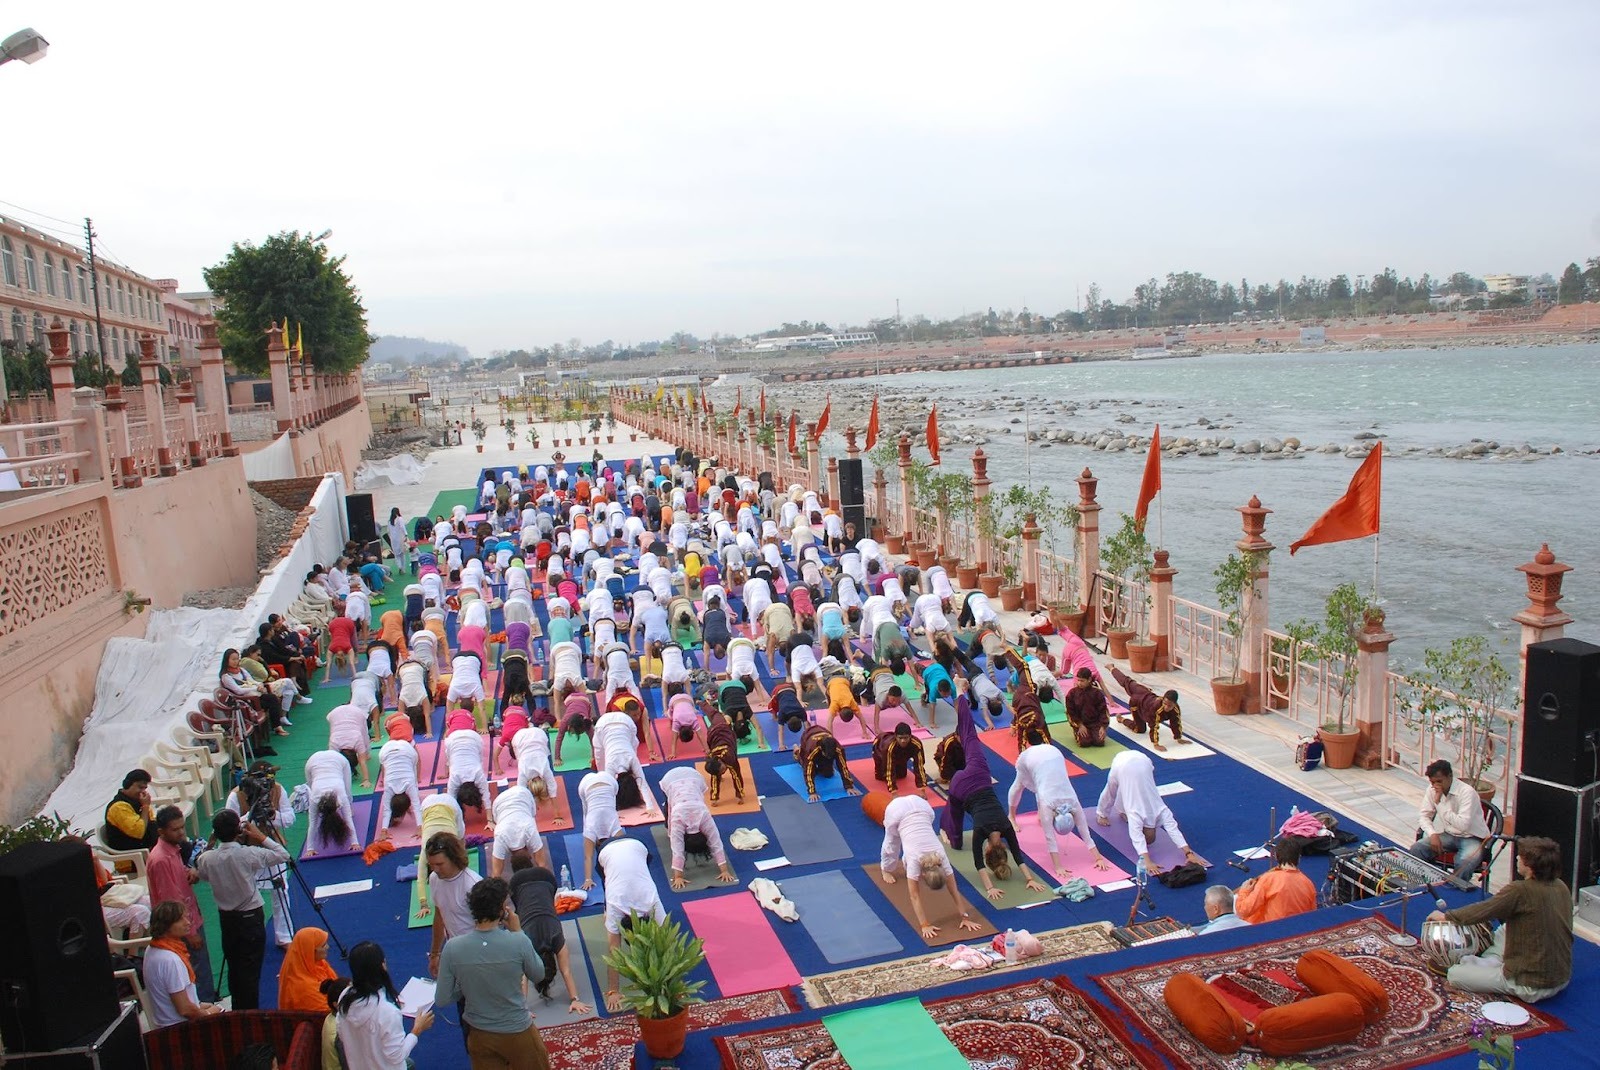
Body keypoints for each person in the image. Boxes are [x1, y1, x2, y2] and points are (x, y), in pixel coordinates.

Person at [1427, 836, 1573, 1002]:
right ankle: (1492, 961)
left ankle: (1491, 966)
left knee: (1455, 975)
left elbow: (1483, 911)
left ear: (1530, 867)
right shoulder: (1561, 886)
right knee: (1505, 930)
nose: (1517, 858)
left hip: (1530, 985)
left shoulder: (1520, 890)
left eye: (1521, 857)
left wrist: (1446, 916)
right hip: (1562, 977)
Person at [939, 692, 1050, 901]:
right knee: (954, 808)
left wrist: (1029, 878)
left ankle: (961, 696)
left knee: (970, 737)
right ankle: (952, 837)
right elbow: (978, 864)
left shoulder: (1007, 827)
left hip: (980, 776)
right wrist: (989, 887)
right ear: (988, 849)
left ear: (1002, 848)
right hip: (961, 786)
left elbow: (1019, 859)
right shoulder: (980, 832)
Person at [434, 878, 551, 1069]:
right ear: (502, 910)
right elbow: (538, 975)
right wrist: (519, 932)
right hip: (518, 1032)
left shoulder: (453, 947)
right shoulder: (517, 941)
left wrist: (465, 985)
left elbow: (442, 998)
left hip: (479, 1034)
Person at [195, 809, 290, 1010]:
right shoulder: (247, 854)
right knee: (250, 971)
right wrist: (260, 836)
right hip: (249, 919)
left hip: (227, 920)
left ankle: (239, 1010)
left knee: (235, 967)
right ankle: (250, 1013)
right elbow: (283, 854)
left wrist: (210, 844)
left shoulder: (207, 859)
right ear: (239, 831)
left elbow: (201, 872)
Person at [878, 794, 985, 941]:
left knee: (907, 848)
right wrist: (924, 924)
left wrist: (964, 917)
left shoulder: (941, 856)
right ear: (922, 875)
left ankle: (903, 860)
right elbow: (914, 896)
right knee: (892, 844)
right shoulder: (916, 861)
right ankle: (885, 869)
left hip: (922, 807)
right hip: (897, 811)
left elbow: (953, 889)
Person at [1007, 737, 1109, 881]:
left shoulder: (1072, 803)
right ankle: (1011, 816)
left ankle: (1033, 813)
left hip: (1054, 754)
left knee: (1041, 783)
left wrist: (1098, 858)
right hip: (1034, 757)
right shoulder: (1056, 805)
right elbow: (1050, 838)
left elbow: (1085, 832)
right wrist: (1057, 867)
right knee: (1020, 783)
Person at [1094, 750, 1201, 876]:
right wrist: (1147, 861)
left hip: (1144, 761)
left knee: (1129, 786)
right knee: (1111, 789)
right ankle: (1101, 814)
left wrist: (1189, 853)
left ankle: (1118, 810)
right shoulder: (1140, 814)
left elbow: (1173, 830)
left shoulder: (1159, 810)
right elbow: (1137, 837)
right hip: (1123, 763)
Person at [147, 804, 215, 1000]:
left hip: (188, 917)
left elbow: (178, 879)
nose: (181, 833)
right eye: (175, 829)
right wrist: (190, 931)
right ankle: (205, 1007)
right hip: (182, 926)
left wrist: (188, 874)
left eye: (182, 827)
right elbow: (171, 901)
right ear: (161, 831)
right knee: (196, 970)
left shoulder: (172, 851)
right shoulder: (160, 859)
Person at [507, 859, 592, 1015]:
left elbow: (564, 972)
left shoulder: (555, 940)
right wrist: (575, 1000)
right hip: (534, 880)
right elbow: (527, 976)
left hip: (540, 880)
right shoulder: (527, 944)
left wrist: (575, 999)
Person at [337, 940, 434, 1070]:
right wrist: (417, 1030)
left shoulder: (344, 997)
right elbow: (397, 1056)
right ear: (382, 966)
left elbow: (341, 1033)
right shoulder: (387, 1013)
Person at [597, 837, 667, 1013]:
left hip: (639, 846)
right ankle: (606, 905)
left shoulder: (652, 901)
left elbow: (668, 940)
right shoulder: (616, 907)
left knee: (636, 875)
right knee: (609, 882)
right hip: (606, 851)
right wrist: (613, 990)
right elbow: (614, 951)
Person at [1407, 758, 1491, 880]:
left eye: (1439, 781)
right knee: (1417, 849)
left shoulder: (1467, 792)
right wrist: (1432, 834)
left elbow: (1463, 825)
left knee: (1465, 862)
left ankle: (1456, 891)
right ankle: (1427, 882)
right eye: (1432, 782)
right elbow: (1424, 815)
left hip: (1472, 837)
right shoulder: (1432, 790)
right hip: (1449, 834)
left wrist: (1440, 803)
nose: (1436, 786)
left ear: (1450, 776)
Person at [144, 900, 223, 1025]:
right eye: (180, 920)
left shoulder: (152, 948)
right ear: (166, 925)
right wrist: (210, 1012)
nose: (188, 923)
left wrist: (201, 1006)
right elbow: (185, 1010)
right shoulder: (170, 960)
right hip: (179, 1027)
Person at [659, 765, 738, 889]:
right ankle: (668, 823)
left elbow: (678, 848)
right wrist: (724, 870)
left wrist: (724, 870)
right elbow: (677, 848)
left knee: (675, 804)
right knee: (669, 805)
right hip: (673, 780)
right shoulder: (684, 819)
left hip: (693, 779)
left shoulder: (702, 817)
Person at [426, 832, 484, 984]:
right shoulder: (434, 879)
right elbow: (439, 915)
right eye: (431, 865)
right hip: (456, 953)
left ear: (453, 859)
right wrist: (435, 953)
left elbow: (489, 927)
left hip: (479, 955)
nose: (435, 869)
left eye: (439, 864)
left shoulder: (473, 885)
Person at [1234, 838, 1317, 923]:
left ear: (1276, 856)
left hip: (1271, 931)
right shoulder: (1308, 883)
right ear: (1299, 858)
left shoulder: (1268, 879)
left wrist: (1244, 891)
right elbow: (1312, 916)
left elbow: (1243, 911)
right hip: (1299, 930)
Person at [1108, 665, 1187, 752]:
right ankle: (1121, 719)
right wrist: (1156, 744)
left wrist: (1178, 738)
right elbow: (1154, 726)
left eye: (1169, 706)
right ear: (1163, 699)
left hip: (1145, 698)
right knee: (1139, 729)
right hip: (1137, 702)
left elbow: (1175, 723)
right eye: (1165, 704)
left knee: (1127, 683)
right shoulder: (1157, 708)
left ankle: (1112, 668)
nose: (1166, 707)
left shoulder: (1176, 709)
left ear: (1175, 704)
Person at [304, 749, 362, 855]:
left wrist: (355, 842)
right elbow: (313, 823)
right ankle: (348, 807)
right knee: (312, 784)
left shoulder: (341, 795)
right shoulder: (314, 799)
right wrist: (309, 849)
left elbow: (348, 818)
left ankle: (350, 805)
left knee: (347, 791)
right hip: (312, 762)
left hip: (337, 760)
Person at [793, 721, 860, 802]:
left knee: (828, 774)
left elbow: (843, 766)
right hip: (807, 737)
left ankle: (824, 762)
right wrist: (812, 792)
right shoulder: (812, 750)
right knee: (807, 766)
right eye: (827, 755)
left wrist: (849, 786)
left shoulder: (838, 749)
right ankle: (797, 750)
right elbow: (808, 772)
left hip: (823, 732)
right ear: (821, 749)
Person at [277, 927, 338, 1013]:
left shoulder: (316, 963)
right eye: (323, 945)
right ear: (310, 951)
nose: (327, 947)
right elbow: (328, 1013)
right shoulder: (304, 987)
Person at [377, 735, 423, 840]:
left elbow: (387, 809)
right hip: (403, 750)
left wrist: (384, 830)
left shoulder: (389, 786)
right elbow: (416, 805)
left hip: (390, 750)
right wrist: (420, 827)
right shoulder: (407, 784)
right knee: (412, 776)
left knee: (411, 775)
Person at [103, 768, 159, 851]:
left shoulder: (138, 802)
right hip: (131, 852)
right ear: (127, 784)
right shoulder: (118, 807)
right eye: (140, 787)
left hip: (145, 845)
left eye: (145, 788)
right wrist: (145, 807)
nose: (142, 792)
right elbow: (139, 832)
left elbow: (152, 821)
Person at [871, 722, 927, 794]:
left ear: (910, 736)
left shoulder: (916, 744)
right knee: (881, 777)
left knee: (901, 776)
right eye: (900, 738)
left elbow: (919, 766)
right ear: (895, 736)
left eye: (906, 738)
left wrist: (922, 789)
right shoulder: (889, 747)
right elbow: (889, 769)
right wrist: (894, 792)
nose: (903, 741)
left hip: (901, 754)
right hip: (879, 749)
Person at [1064, 667, 1110, 747]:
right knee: (1085, 743)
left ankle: (1094, 733)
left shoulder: (1097, 693)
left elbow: (1103, 711)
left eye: (1082, 681)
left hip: (1095, 724)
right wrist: (1079, 725)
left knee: (1099, 742)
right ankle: (1077, 732)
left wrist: (1103, 727)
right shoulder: (1072, 693)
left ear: (1089, 680)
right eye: (1078, 680)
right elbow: (1070, 712)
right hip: (1080, 723)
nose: (1079, 683)